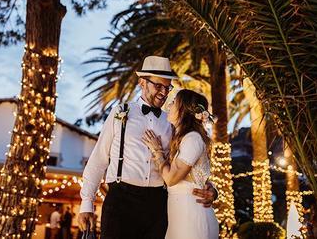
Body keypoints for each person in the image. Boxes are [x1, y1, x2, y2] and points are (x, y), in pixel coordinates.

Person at [78, 56, 217, 239]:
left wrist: (211, 189)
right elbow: (99, 159)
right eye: (158, 86)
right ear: (142, 82)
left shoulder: (173, 122)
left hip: (158, 204)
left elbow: (190, 162)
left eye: (168, 87)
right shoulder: (121, 112)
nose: (164, 92)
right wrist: (87, 203)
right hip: (121, 201)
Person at [143, 89, 219, 239]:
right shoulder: (182, 137)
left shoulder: (193, 139)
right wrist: (213, 189)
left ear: (183, 110)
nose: (169, 105)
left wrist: (157, 151)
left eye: (174, 102)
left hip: (191, 215)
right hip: (180, 214)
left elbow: (171, 179)